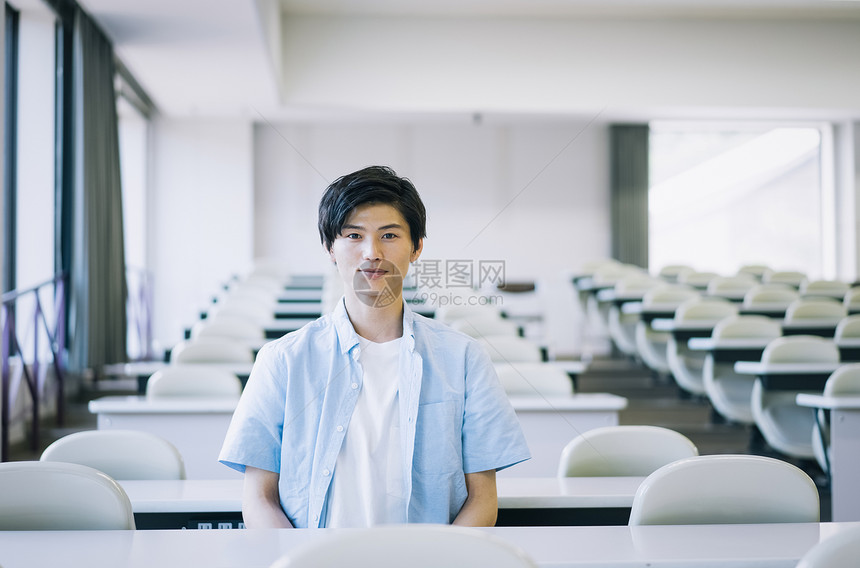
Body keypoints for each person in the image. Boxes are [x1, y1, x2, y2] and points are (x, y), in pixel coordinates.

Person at [219, 165, 530, 528]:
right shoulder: (282, 361)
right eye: (353, 235)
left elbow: (482, 500)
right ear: (330, 248)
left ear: (416, 248)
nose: (372, 252)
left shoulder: (464, 359)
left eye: (389, 235)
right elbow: (258, 499)